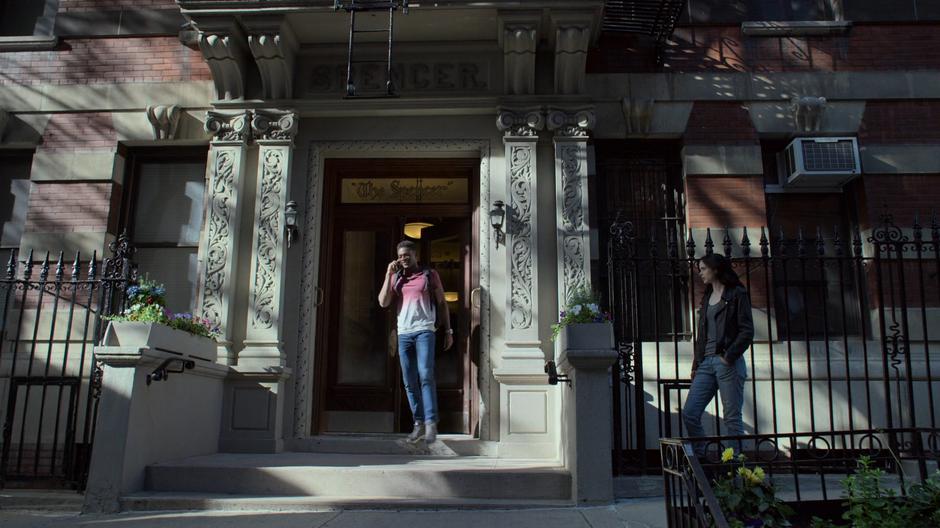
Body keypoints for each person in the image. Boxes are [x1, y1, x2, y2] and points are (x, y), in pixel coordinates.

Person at [378, 240, 453, 443]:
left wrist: (448, 330)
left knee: (425, 375)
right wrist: (388, 275)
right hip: (404, 334)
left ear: (414, 254)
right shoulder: (396, 278)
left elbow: (442, 303)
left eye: (407, 255)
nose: (403, 258)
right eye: (400, 255)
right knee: (409, 381)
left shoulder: (429, 275)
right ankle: (418, 423)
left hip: (424, 331)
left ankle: (430, 423)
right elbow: (383, 302)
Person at [681, 253, 754, 458]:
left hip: (727, 362)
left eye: (703, 268)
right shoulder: (707, 297)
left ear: (715, 269)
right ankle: (703, 458)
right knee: (690, 413)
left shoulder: (737, 294)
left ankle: (735, 467)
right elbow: (702, 336)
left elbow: (747, 331)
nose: (700, 272)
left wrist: (728, 357)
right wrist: (696, 365)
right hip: (706, 363)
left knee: (731, 417)